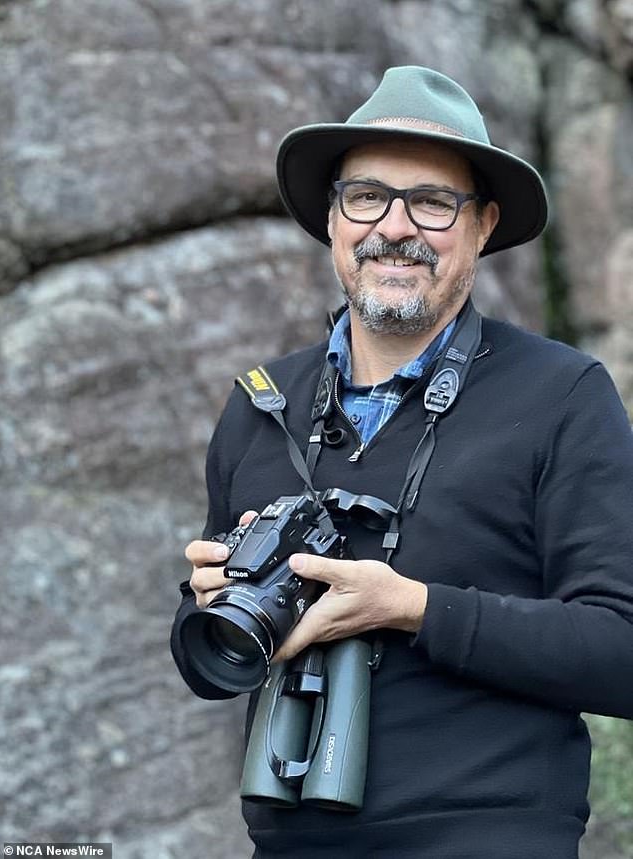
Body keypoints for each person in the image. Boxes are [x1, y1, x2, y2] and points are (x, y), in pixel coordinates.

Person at [171, 66, 633, 858]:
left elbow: (622, 651)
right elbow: (210, 659)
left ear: (484, 225)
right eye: (367, 196)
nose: (394, 226)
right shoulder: (262, 399)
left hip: (491, 839)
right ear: (333, 216)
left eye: (433, 201)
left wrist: (414, 607)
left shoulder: (564, 394)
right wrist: (208, 599)